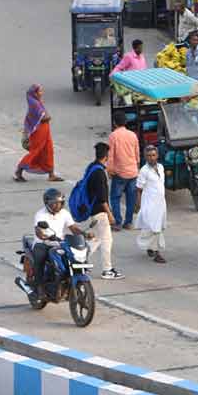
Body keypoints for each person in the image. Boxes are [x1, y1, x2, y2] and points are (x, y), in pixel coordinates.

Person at [31, 189, 85, 299]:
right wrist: (43, 236)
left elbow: (73, 228)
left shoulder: (64, 213)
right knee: (40, 259)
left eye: (59, 203)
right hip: (43, 243)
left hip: (59, 242)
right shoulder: (40, 214)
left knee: (72, 256)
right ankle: (39, 287)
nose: (57, 205)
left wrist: (85, 234)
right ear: (47, 203)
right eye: (54, 203)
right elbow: (38, 231)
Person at [84, 143, 123, 280]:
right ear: (106, 156)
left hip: (93, 210)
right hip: (100, 212)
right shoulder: (99, 173)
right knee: (106, 240)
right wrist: (110, 214)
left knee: (97, 239)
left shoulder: (92, 167)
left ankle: (81, 261)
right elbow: (102, 198)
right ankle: (107, 270)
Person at [15, 85, 62, 182]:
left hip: (45, 131)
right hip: (39, 132)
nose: (41, 93)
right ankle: (19, 170)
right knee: (36, 151)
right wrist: (48, 117)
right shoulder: (35, 104)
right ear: (34, 93)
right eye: (39, 91)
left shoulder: (37, 102)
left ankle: (51, 174)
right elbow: (42, 118)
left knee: (48, 150)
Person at [108, 111, 140, 230]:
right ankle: (128, 222)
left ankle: (117, 222)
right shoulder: (132, 135)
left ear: (114, 123)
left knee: (115, 197)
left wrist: (109, 170)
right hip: (132, 172)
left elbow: (111, 155)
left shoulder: (113, 136)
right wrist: (136, 167)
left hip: (119, 173)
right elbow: (137, 154)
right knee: (131, 198)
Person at [136, 145, 168, 263]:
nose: (151, 158)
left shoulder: (160, 167)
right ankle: (157, 253)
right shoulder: (144, 171)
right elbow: (138, 189)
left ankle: (150, 247)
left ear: (157, 156)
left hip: (161, 204)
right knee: (155, 229)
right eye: (149, 156)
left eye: (153, 155)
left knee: (157, 227)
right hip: (150, 205)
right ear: (145, 157)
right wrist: (138, 205)